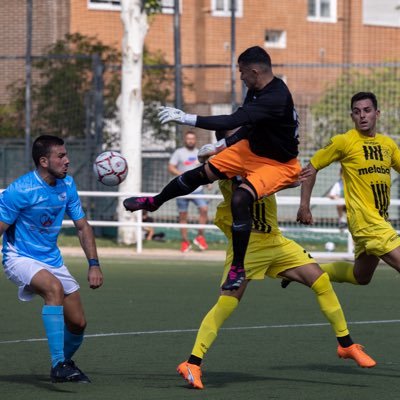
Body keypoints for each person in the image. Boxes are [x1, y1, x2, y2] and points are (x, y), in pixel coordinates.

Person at [123, 46, 301, 290]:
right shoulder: (257, 89)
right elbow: (248, 127)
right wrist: (221, 145)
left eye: (241, 72)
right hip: (252, 150)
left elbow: (231, 121)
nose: (240, 77)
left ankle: (238, 268)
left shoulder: (275, 97)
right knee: (199, 174)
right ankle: (154, 202)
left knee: (240, 199)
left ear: (254, 71)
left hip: (279, 164)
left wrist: (185, 117)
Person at [176, 177, 376, 390]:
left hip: (275, 241)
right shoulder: (231, 165)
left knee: (321, 280)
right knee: (227, 303)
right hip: (247, 246)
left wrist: (292, 177)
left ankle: (346, 345)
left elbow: (291, 177)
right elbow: (234, 178)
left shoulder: (267, 161)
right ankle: (192, 363)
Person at [0, 135, 103, 383]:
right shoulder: (20, 190)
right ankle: (58, 364)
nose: (67, 161)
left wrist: (94, 264)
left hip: (52, 259)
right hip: (19, 257)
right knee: (53, 289)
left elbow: (82, 227)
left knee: (78, 323)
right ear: (44, 161)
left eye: (66, 155)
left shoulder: (68, 185)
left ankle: (64, 364)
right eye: (61, 156)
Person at [296, 91, 400, 291]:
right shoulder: (344, 141)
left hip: (380, 220)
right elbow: (311, 167)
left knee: (360, 276)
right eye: (357, 111)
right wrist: (304, 206)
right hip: (365, 222)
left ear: (377, 113)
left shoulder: (387, 145)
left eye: (367, 110)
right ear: (351, 116)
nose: (362, 115)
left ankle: (306, 272)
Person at [168, 130, 209, 252]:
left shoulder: (200, 153)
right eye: (188, 138)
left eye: (192, 138)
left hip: (198, 189)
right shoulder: (178, 152)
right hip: (182, 189)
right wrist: (182, 175)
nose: (190, 140)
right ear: (185, 140)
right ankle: (185, 242)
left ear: (195, 140)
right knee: (183, 215)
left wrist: (207, 182)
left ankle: (200, 237)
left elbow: (206, 169)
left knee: (204, 209)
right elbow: (170, 167)